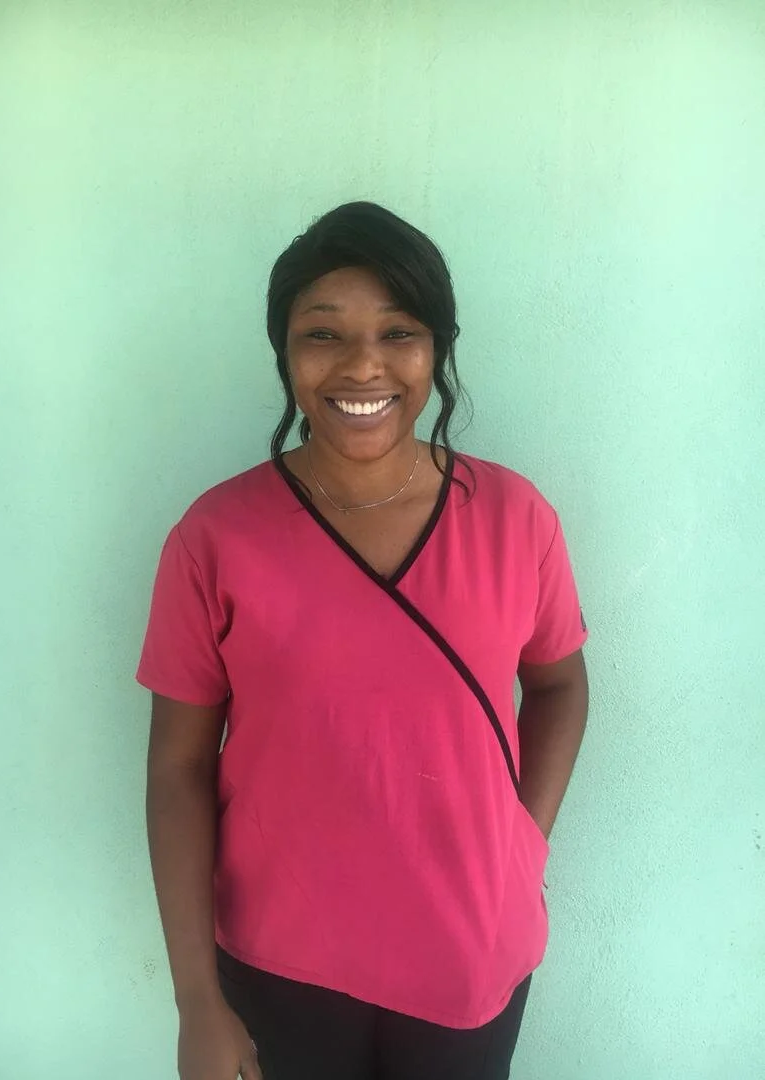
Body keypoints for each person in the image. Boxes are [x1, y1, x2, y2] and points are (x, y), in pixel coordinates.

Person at [137, 201, 589, 1080]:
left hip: (471, 954)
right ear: (284, 351)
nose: (362, 365)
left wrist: (522, 841)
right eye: (323, 334)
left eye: (399, 332)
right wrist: (196, 1000)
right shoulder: (216, 537)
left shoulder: (514, 518)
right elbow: (176, 770)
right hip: (279, 964)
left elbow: (561, 685)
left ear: (437, 348)